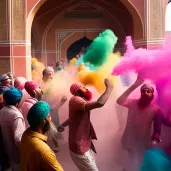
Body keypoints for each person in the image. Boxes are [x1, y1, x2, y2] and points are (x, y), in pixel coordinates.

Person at [58, 78, 113, 171]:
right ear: (77, 91)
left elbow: (73, 118)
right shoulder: (76, 100)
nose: (86, 89)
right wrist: (109, 88)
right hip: (80, 147)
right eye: (83, 87)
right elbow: (100, 103)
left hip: (84, 145)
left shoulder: (78, 100)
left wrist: (63, 125)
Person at [116, 76, 163, 171]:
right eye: (143, 91)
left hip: (144, 142)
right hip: (130, 139)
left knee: (141, 163)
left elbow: (157, 129)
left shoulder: (156, 110)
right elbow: (119, 101)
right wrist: (134, 85)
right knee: (132, 161)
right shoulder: (132, 103)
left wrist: (154, 140)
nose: (145, 93)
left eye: (148, 91)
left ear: (152, 94)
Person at [20, 101, 64, 171]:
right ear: (44, 121)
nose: (51, 119)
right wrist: (48, 155)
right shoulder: (43, 150)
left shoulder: (26, 133)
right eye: (49, 116)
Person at [21, 81, 60, 153]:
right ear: (34, 91)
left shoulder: (27, 103)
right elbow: (43, 125)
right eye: (39, 88)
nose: (42, 90)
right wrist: (55, 145)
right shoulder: (32, 106)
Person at [0, 87, 26, 171]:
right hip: (17, 155)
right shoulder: (15, 115)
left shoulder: (2, 110)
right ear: (18, 102)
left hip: (8, 152)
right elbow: (19, 139)